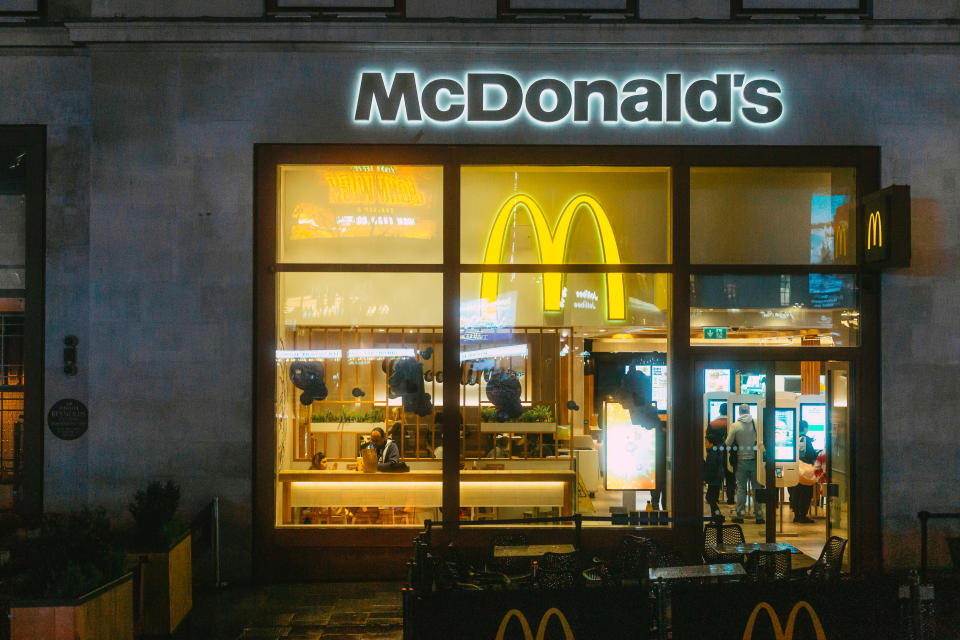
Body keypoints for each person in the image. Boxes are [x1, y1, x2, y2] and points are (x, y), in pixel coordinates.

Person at [726, 404, 764, 524]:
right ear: (749, 411)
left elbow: (728, 443)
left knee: (741, 489)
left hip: (741, 461)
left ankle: (740, 515)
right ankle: (759, 516)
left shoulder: (735, 425)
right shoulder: (757, 422)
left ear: (739, 412)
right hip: (755, 461)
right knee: (757, 488)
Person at [708, 402, 737, 505]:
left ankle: (714, 498)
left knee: (716, 477)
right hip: (729, 452)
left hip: (716, 453)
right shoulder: (733, 423)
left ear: (719, 411)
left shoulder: (712, 423)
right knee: (730, 477)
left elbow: (708, 438)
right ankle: (730, 498)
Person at [789, 421, 817, 523]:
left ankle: (796, 515)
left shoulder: (793, 438)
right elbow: (811, 455)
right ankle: (802, 515)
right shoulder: (806, 439)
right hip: (804, 472)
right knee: (805, 493)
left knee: (795, 492)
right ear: (805, 428)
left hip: (794, 469)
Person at [703, 430, 724, 519]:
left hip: (714, 480)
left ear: (711, 443)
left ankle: (717, 515)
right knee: (711, 499)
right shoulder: (716, 451)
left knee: (710, 498)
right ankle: (715, 515)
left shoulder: (712, 454)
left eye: (706, 442)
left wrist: (706, 479)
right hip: (717, 479)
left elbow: (711, 468)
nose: (705, 444)